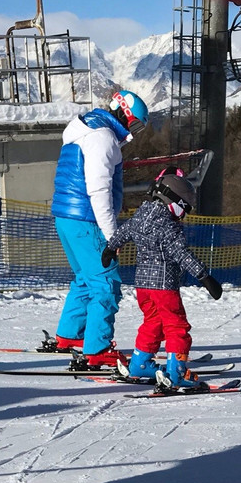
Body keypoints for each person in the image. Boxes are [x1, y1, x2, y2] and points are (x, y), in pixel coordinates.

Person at [51, 90, 149, 370]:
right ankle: (98, 348)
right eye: (136, 123)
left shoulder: (84, 128)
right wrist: (111, 236)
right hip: (87, 219)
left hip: (67, 216)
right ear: (125, 114)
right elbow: (99, 190)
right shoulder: (102, 138)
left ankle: (70, 335)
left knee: (86, 278)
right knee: (106, 284)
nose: (134, 131)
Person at [101, 170, 222, 390]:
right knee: (176, 326)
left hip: (142, 286)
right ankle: (176, 373)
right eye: (184, 208)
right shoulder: (168, 225)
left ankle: (140, 364)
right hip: (164, 285)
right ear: (173, 201)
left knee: (153, 322)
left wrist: (110, 248)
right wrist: (205, 277)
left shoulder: (141, 215)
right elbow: (182, 254)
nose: (183, 215)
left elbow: (124, 231)